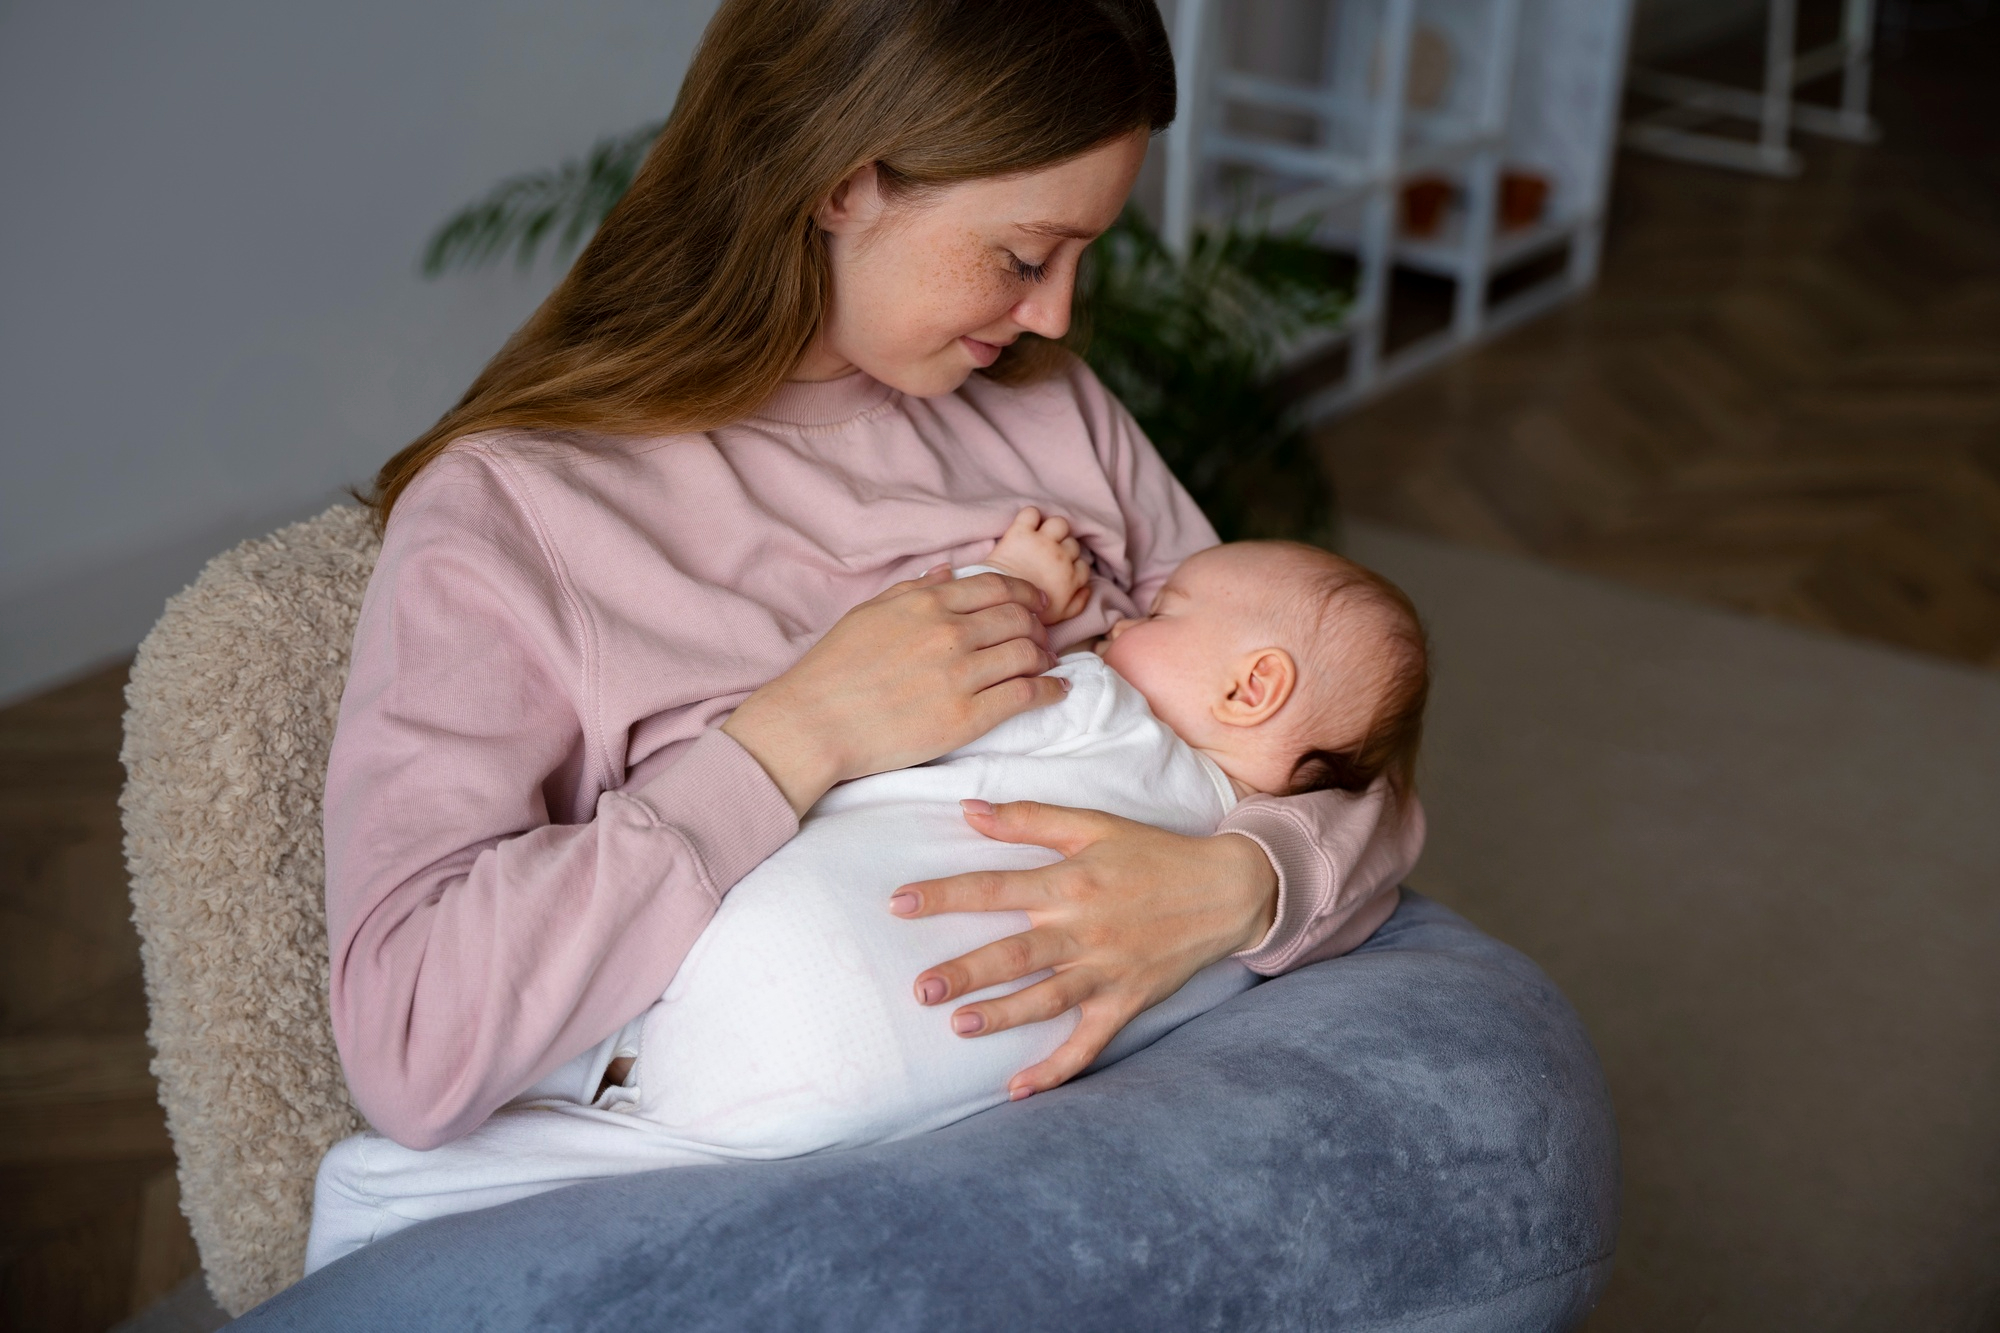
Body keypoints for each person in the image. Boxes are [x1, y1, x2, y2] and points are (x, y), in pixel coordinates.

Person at [322, 0, 1425, 1162]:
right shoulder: (518, 514)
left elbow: (1340, 741)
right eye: (1021, 255)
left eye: (1079, 256)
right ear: (843, 186)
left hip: (1142, 1085)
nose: (1055, 313)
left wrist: (1232, 886)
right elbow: (409, 1039)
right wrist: (792, 739)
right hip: (796, 1150)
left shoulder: (1045, 409)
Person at [307, 524, 1429, 1271]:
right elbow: (1362, 812)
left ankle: (361, 1240)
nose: (1122, 616)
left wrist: (1017, 595)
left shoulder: (1104, 707)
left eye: (1157, 608)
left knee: (547, 1096)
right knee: (622, 1145)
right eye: (1024, 252)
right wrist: (1249, 882)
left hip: (745, 964)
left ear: (1251, 684)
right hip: (834, 1115)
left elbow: (955, 677)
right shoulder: (1211, 849)